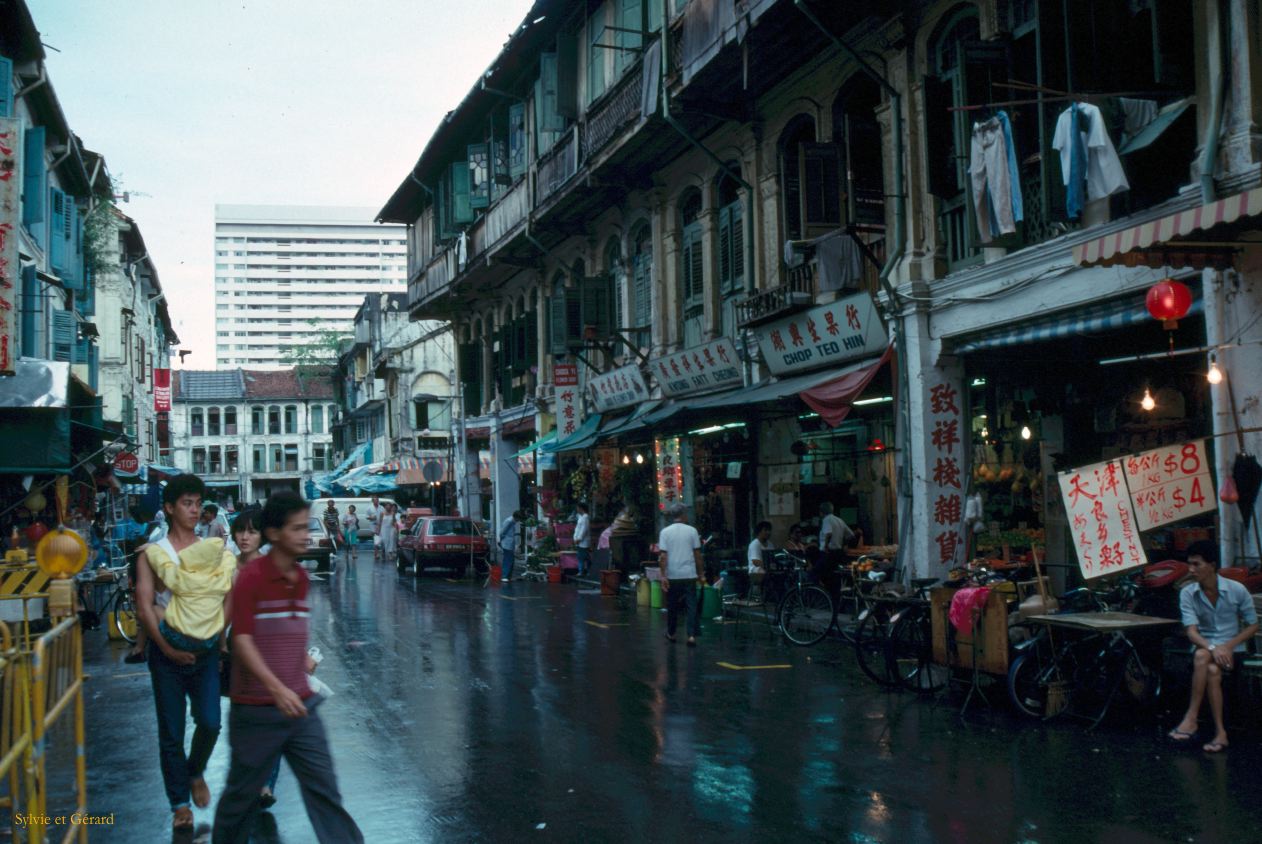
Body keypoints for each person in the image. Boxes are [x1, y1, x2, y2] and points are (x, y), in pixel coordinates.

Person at [212, 492, 363, 843]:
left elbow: (289, 636)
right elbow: (244, 640)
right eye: (296, 529)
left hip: (301, 706)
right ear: (275, 533)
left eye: (304, 527)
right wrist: (276, 688)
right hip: (255, 710)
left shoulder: (300, 578)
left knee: (325, 793)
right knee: (240, 800)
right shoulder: (251, 578)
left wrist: (301, 673)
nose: (304, 535)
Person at [135, 473, 237, 831]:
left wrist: (216, 634)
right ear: (169, 509)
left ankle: (196, 771)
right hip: (166, 655)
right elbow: (145, 605)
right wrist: (164, 647)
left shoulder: (213, 548)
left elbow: (228, 594)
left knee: (210, 721)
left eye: (198, 504)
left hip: (207, 652)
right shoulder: (154, 552)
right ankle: (179, 802)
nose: (195, 510)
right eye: (187, 504)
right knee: (171, 732)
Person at [1168, 540, 1258, 754]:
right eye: (1189, 564)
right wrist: (1213, 647)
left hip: (1233, 651)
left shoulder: (1237, 590)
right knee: (1208, 665)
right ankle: (1220, 733)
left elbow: (1253, 625)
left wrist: (1226, 646)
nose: (1191, 569)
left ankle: (1191, 719)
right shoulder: (1188, 593)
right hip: (1205, 647)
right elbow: (1191, 632)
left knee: (1203, 660)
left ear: (1212, 565)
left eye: (1196, 564)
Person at [658, 502, 703, 646]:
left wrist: (663, 576)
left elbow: (663, 557)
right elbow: (697, 555)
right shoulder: (692, 531)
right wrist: (700, 574)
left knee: (672, 606)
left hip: (673, 574)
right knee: (691, 605)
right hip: (689, 574)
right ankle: (691, 636)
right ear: (684, 515)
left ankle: (671, 633)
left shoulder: (665, 532)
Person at [816, 503, 855, 597]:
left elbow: (828, 533)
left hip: (828, 553)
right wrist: (844, 544)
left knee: (815, 574)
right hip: (838, 552)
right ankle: (834, 595)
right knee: (834, 577)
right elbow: (851, 535)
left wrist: (825, 546)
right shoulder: (839, 520)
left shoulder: (826, 520)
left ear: (821, 512)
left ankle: (822, 594)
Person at [498, 510, 524, 582]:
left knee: (511, 560)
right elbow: (502, 532)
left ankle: (508, 576)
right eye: (519, 518)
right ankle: (504, 576)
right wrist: (501, 541)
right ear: (516, 517)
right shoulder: (509, 521)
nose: (519, 520)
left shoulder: (512, 522)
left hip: (509, 543)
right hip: (507, 544)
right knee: (508, 560)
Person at [573, 503, 592, 577]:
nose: (577, 509)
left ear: (581, 508)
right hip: (580, 541)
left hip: (582, 541)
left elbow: (584, 530)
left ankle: (582, 571)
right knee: (584, 556)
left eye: (578, 508)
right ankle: (586, 571)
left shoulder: (585, 517)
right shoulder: (581, 517)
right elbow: (578, 529)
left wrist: (579, 539)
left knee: (582, 557)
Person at [369, 495, 384, 561]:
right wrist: (371, 518)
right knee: (376, 540)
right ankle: (376, 554)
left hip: (382, 525)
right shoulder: (369, 508)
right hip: (373, 525)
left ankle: (383, 552)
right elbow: (367, 516)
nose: (376, 501)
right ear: (372, 501)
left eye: (377, 500)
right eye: (374, 500)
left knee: (382, 540)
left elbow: (384, 515)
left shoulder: (382, 507)